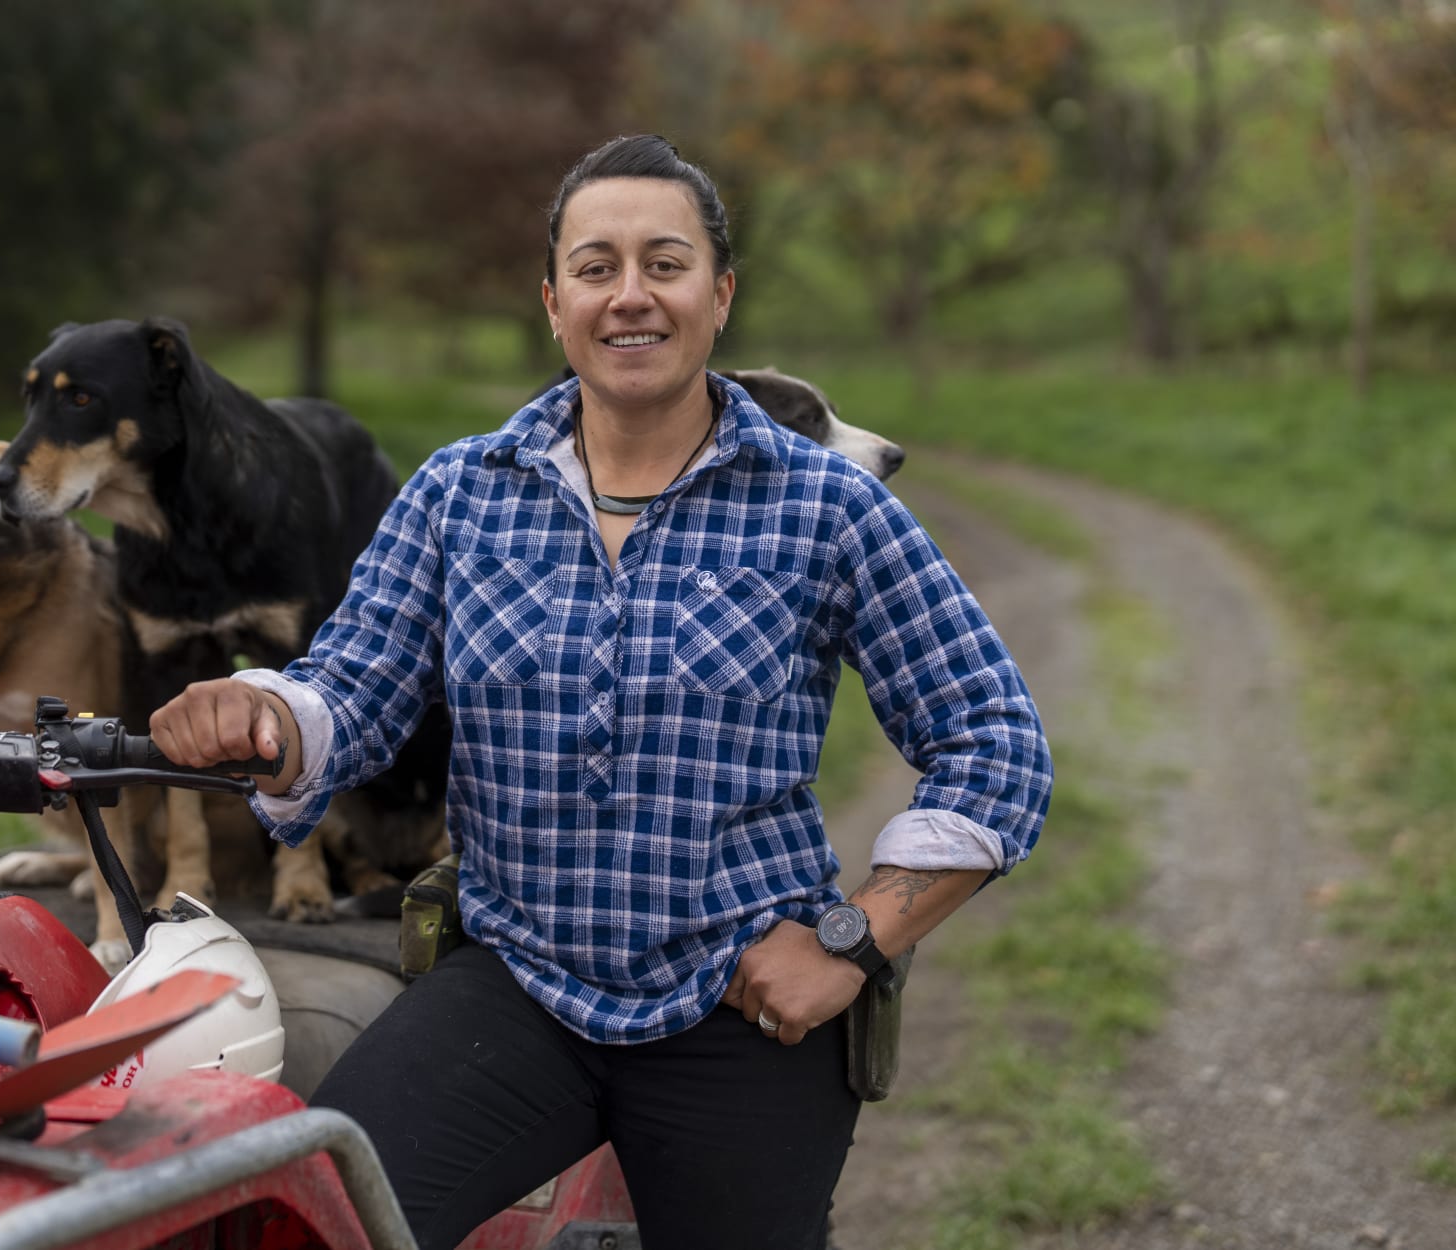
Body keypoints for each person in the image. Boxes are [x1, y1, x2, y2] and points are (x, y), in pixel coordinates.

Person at [148, 134, 1052, 1250]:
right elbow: (351, 687)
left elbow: (995, 741)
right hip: (515, 983)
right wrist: (266, 714)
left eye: (664, 263)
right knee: (311, 1221)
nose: (630, 295)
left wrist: (851, 940)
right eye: (595, 266)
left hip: (739, 1002)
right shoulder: (458, 494)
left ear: (718, 295)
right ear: (553, 300)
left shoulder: (826, 508)